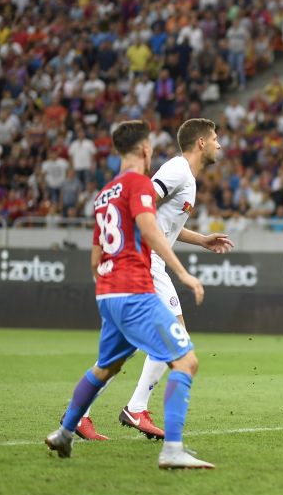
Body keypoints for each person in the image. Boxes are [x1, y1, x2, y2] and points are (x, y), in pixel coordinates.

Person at [44, 120, 212, 469]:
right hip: (137, 284)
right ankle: (170, 449)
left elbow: (95, 258)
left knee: (107, 366)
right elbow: (149, 227)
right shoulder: (142, 183)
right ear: (145, 150)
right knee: (185, 360)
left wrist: (110, 283)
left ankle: (65, 431)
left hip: (108, 292)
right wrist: (183, 273)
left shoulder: (106, 193)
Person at [74, 118, 233, 442]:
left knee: (131, 346)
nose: (219, 144)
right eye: (215, 138)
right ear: (201, 143)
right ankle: (135, 409)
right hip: (146, 262)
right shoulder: (177, 170)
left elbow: (161, 223)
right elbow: (142, 208)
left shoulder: (186, 177)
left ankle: (86, 414)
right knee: (175, 337)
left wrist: (202, 240)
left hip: (150, 261)